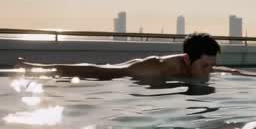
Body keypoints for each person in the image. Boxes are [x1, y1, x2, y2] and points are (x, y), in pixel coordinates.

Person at [18, 33, 240, 83]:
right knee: (108, 69)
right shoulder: (157, 68)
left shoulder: (199, 67)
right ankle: (38, 67)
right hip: (134, 69)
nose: (208, 72)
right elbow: (98, 71)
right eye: (205, 66)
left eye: (212, 67)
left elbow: (222, 70)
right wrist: (41, 70)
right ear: (187, 59)